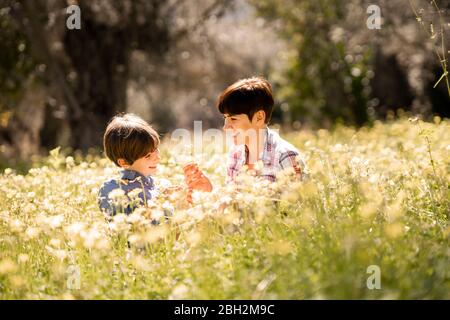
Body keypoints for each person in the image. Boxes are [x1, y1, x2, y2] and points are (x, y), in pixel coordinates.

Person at [185, 76, 307, 191]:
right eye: (225, 118)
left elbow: (300, 209)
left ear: (259, 117)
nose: (225, 127)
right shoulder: (237, 152)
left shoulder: (286, 157)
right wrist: (209, 190)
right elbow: (234, 205)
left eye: (233, 119)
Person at [98, 113, 162, 216]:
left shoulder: (158, 184)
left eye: (156, 150)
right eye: (148, 156)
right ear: (124, 162)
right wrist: (162, 203)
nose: (158, 158)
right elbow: (134, 227)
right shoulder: (113, 190)